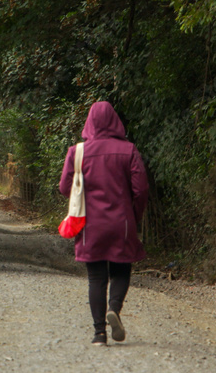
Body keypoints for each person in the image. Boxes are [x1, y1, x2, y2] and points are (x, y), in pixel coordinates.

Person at [58, 101, 148, 346]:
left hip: (90, 227)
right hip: (122, 223)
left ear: (90, 122)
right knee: (121, 269)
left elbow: (65, 188)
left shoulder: (77, 152)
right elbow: (141, 190)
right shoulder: (128, 150)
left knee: (96, 278)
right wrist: (134, 217)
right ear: (115, 121)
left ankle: (99, 334)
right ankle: (114, 309)